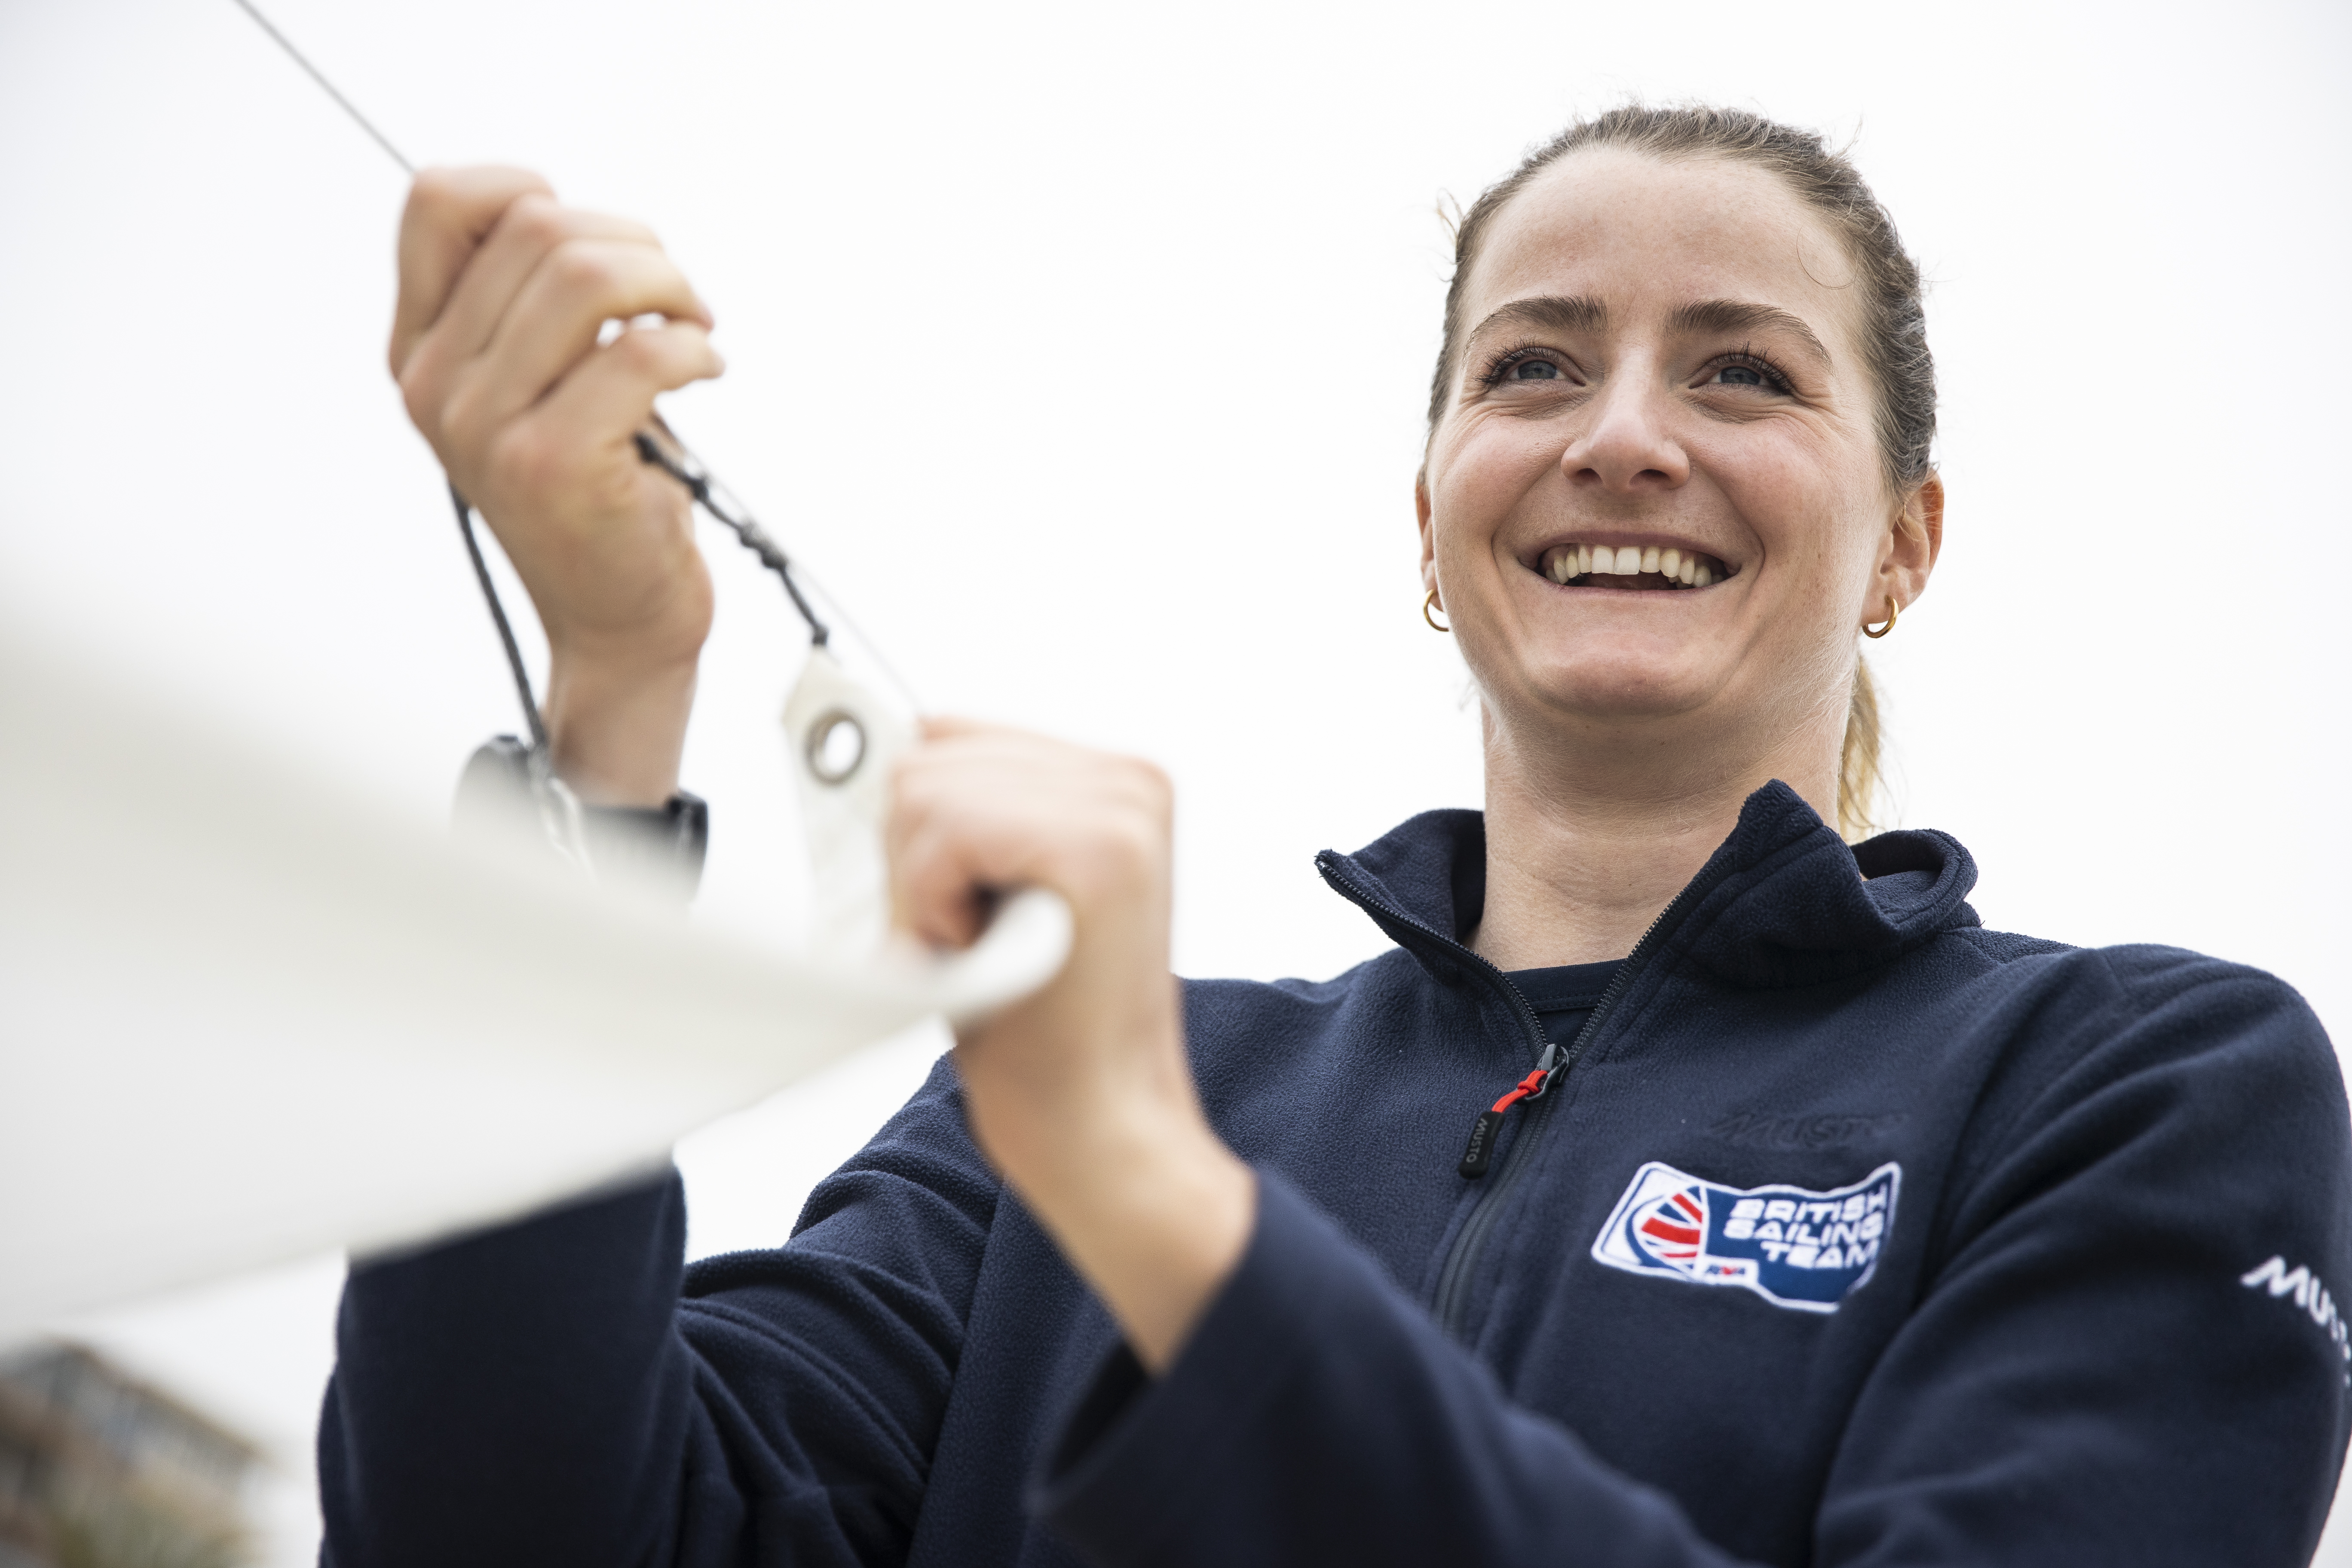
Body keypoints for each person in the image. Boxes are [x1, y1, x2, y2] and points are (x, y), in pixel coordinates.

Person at [321, 106, 2352, 1566]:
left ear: (1905, 540)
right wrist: (610, 718)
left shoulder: (2140, 1085)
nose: (1621, 434)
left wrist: (1161, 1213)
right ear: (1432, 522)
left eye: (1743, 372)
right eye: (1533, 365)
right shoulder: (1091, 1099)